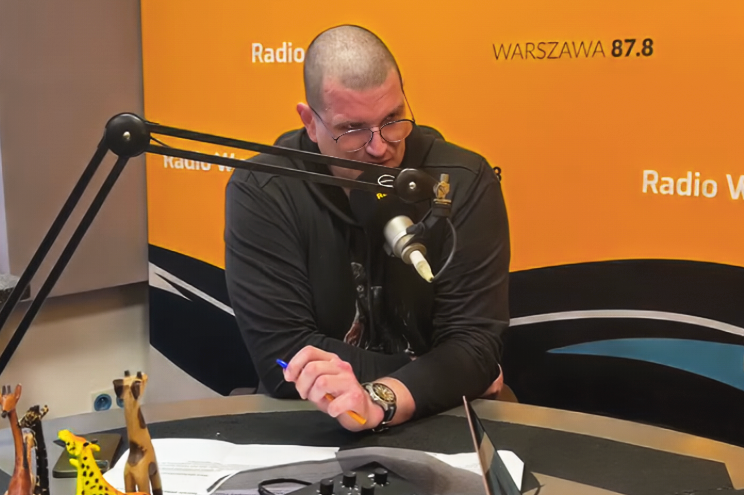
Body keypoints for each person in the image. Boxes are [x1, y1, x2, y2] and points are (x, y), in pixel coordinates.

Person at [224, 25, 510, 432]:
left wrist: (382, 397)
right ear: (310, 122)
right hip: (313, 420)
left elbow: (475, 347)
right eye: (353, 130)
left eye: (392, 119)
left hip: (439, 417)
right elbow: (285, 359)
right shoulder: (264, 190)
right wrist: (443, 373)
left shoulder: (461, 179)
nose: (380, 148)